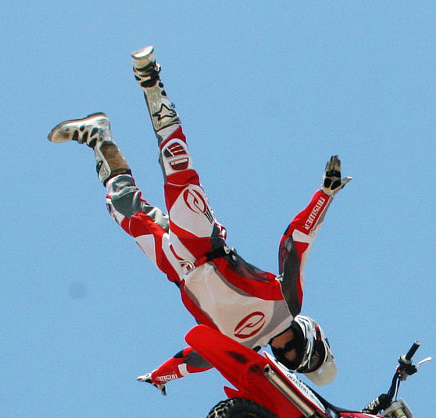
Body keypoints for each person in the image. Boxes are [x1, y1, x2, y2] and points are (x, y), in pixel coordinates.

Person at [49, 46, 345, 387]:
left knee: (119, 206)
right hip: (204, 244)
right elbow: (295, 245)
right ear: (315, 337)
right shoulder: (289, 302)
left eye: (293, 361)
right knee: (176, 166)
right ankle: (150, 80)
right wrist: (324, 197)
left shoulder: (243, 348)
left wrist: (159, 376)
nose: (292, 355)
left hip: (177, 268)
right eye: (305, 354)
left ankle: (98, 137)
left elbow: (197, 358)